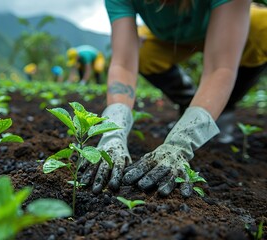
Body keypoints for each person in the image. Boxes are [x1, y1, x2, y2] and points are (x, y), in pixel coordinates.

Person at [80, 1, 267, 197]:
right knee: (144, 52)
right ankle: (189, 104)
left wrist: (181, 143)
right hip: (173, 40)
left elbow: (220, 68)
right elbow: (124, 65)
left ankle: (221, 108)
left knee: (263, 27)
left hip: (231, 31)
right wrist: (112, 135)